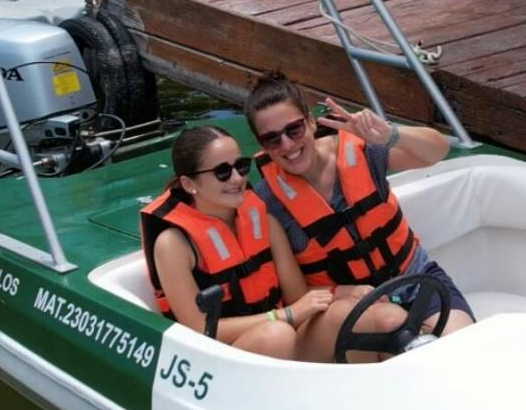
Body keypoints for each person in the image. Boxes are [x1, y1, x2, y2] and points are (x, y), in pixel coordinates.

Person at [243, 71, 476, 339]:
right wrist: (339, 292)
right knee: (393, 327)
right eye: (272, 139)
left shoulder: (364, 152)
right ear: (261, 144)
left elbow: (436, 151)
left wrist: (390, 134)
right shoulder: (268, 203)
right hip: (349, 308)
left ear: (309, 122)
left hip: (416, 280)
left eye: (293, 129)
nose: (286, 144)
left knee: (462, 340)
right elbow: (295, 295)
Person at [139, 126, 393, 362]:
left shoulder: (265, 223)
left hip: (281, 338)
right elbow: (199, 329)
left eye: (240, 166)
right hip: (219, 361)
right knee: (275, 335)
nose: (237, 178)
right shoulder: (173, 244)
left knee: (351, 312)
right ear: (189, 184)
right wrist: (283, 316)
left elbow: (296, 297)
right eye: (222, 172)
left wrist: (340, 293)